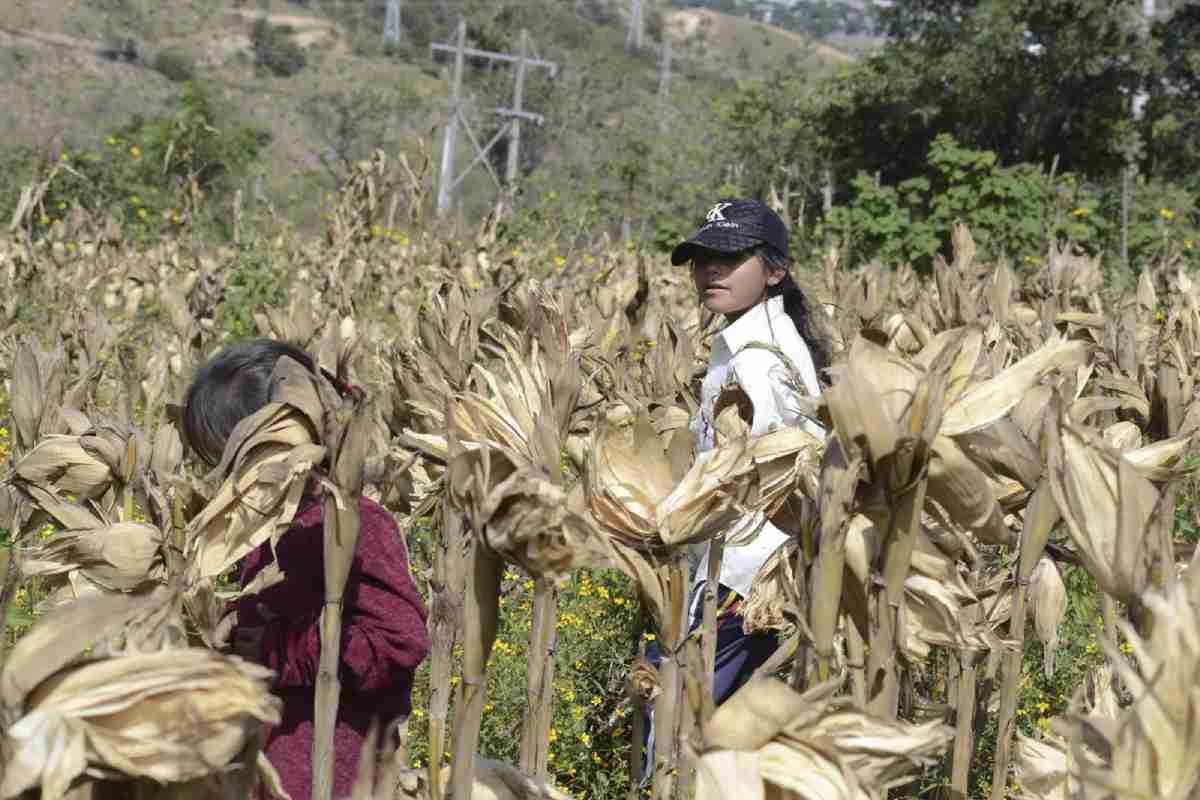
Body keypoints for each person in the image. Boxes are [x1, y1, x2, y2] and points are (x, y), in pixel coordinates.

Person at [181, 339, 430, 800]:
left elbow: (398, 641)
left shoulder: (351, 524)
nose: (226, 480)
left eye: (229, 459)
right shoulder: (263, 531)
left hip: (335, 777)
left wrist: (277, 650)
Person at [646, 199, 829, 749]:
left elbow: (793, 470)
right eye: (702, 259)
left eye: (729, 257)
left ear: (774, 271)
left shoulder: (759, 361)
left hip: (739, 578)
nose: (711, 271)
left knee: (673, 726)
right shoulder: (751, 344)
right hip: (735, 573)